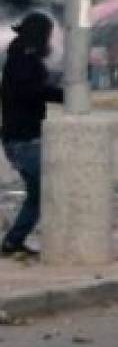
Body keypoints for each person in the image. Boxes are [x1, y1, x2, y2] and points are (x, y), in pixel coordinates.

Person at [1, 13, 64, 258]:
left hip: (20, 136)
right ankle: (15, 241)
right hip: (23, 139)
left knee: (39, 192)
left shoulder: (20, 56)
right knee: (45, 190)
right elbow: (30, 92)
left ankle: (14, 241)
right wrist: (61, 94)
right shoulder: (23, 59)